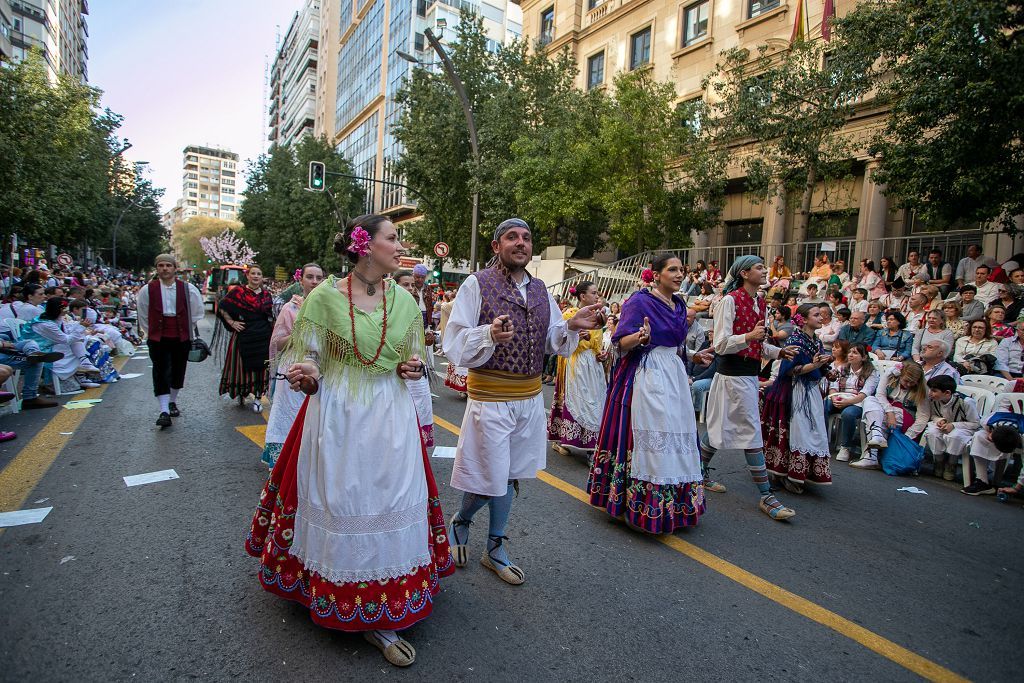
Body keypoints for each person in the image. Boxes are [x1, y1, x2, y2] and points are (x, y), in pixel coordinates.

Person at [245, 215, 453, 668]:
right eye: (393, 238)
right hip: (340, 414)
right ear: (365, 246)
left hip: (391, 414)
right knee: (348, 499)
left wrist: (411, 367)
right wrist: (308, 376)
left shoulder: (404, 301)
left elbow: (409, 356)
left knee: (392, 496)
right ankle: (347, 596)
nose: (401, 246)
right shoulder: (322, 300)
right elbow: (308, 359)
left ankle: (388, 601)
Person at [442, 218, 602, 584]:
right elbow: (454, 342)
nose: (521, 243)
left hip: (529, 400)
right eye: (512, 237)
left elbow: (552, 340)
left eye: (527, 238)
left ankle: (494, 546)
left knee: (511, 477)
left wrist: (574, 325)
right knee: (490, 478)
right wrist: (489, 334)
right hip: (491, 398)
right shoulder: (476, 284)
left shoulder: (541, 290)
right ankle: (462, 520)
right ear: (496, 246)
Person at [588, 255, 705, 531]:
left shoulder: (679, 304)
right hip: (645, 375)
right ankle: (633, 503)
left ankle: (673, 505)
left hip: (673, 377)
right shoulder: (639, 302)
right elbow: (620, 342)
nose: (679, 275)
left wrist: (695, 358)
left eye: (681, 270)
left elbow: (676, 346)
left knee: (676, 433)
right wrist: (639, 338)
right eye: (672, 270)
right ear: (656, 274)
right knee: (647, 435)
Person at [700, 255, 797, 521]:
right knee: (751, 433)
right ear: (743, 273)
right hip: (731, 377)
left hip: (747, 377)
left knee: (719, 427)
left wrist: (778, 352)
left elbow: (757, 344)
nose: (764, 271)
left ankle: (699, 471)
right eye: (758, 267)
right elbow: (720, 345)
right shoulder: (729, 301)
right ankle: (766, 496)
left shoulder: (760, 302)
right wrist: (750, 337)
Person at [762, 304, 834, 493]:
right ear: (803, 319)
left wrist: (827, 371)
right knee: (795, 431)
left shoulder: (815, 340)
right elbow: (790, 371)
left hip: (810, 391)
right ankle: (783, 474)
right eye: (816, 315)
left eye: (822, 315)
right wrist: (814, 365)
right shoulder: (795, 340)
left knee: (812, 431)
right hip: (793, 392)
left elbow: (817, 365)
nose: (821, 318)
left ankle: (801, 473)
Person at [261, 263, 324, 469]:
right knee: (290, 412)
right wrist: (300, 335)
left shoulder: (329, 309)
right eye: (310, 277)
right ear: (301, 281)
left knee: (316, 414)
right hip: (294, 367)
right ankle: (285, 462)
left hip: (321, 368)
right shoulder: (291, 308)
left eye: (318, 278)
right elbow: (277, 343)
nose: (314, 282)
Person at [136, 254, 204, 427]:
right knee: (160, 370)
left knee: (178, 369)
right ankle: (164, 410)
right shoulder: (147, 290)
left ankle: (172, 400)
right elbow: (143, 314)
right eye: (161, 265)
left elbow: (196, 311)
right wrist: (151, 332)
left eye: (168, 265)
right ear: (157, 268)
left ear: (175, 268)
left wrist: (186, 327)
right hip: (158, 336)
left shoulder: (188, 289)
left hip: (181, 335)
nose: (164, 268)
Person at [548, 281, 607, 458]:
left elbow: (597, 342)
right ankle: (564, 440)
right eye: (594, 293)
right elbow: (561, 343)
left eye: (598, 293)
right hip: (576, 364)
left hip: (592, 365)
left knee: (595, 401)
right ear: (582, 296)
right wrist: (579, 339)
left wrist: (600, 353)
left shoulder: (598, 316)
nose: (597, 296)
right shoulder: (570, 315)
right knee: (579, 400)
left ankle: (591, 443)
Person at [217, 265, 273, 409]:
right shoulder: (238, 292)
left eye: (259, 274)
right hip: (243, 335)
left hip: (262, 336)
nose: (255, 276)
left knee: (263, 368)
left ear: (262, 277)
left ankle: (258, 398)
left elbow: (271, 316)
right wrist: (231, 322)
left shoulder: (267, 295)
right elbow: (222, 306)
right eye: (253, 273)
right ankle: (242, 392)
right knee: (241, 367)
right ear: (247, 276)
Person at [856, 361, 929, 469]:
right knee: (869, 400)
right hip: (886, 409)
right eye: (906, 381)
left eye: (912, 383)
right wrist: (889, 413)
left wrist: (908, 436)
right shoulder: (890, 375)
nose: (908, 385)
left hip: (905, 416)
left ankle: (871, 456)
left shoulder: (922, 390)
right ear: (901, 375)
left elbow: (923, 416)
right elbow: (880, 394)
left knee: (877, 417)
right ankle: (877, 436)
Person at [907, 375, 980, 481]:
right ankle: (939, 461)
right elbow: (933, 415)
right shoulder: (934, 400)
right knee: (932, 432)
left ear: (947, 393)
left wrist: (954, 425)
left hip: (964, 428)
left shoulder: (965, 402)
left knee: (955, 436)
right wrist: (940, 420)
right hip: (944, 426)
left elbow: (975, 423)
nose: (930, 393)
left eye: (934, 391)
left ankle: (951, 464)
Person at [395, 270, 438, 450]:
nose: (411, 288)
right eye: (406, 284)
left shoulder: (424, 296)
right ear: (394, 285)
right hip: (395, 370)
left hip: (416, 363)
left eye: (412, 284)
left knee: (421, 400)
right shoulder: (386, 308)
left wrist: (427, 335)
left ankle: (415, 446)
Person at [824, 342, 879, 462]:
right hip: (839, 397)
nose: (850, 355)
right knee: (824, 405)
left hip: (857, 402)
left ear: (864, 357)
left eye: (855, 353)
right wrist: (834, 398)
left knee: (848, 414)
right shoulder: (842, 368)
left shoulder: (871, 372)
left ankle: (845, 446)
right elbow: (832, 386)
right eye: (849, 352)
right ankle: (821, 439)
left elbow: (865, 394)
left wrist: (847, 402)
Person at [961, 396, 1024, 495]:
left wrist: (1016, 488)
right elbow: (980, 423)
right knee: (979, 436)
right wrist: (989, 432)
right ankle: (982, 481)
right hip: (994, 427)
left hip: (1015, 431)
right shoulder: (989, 420)